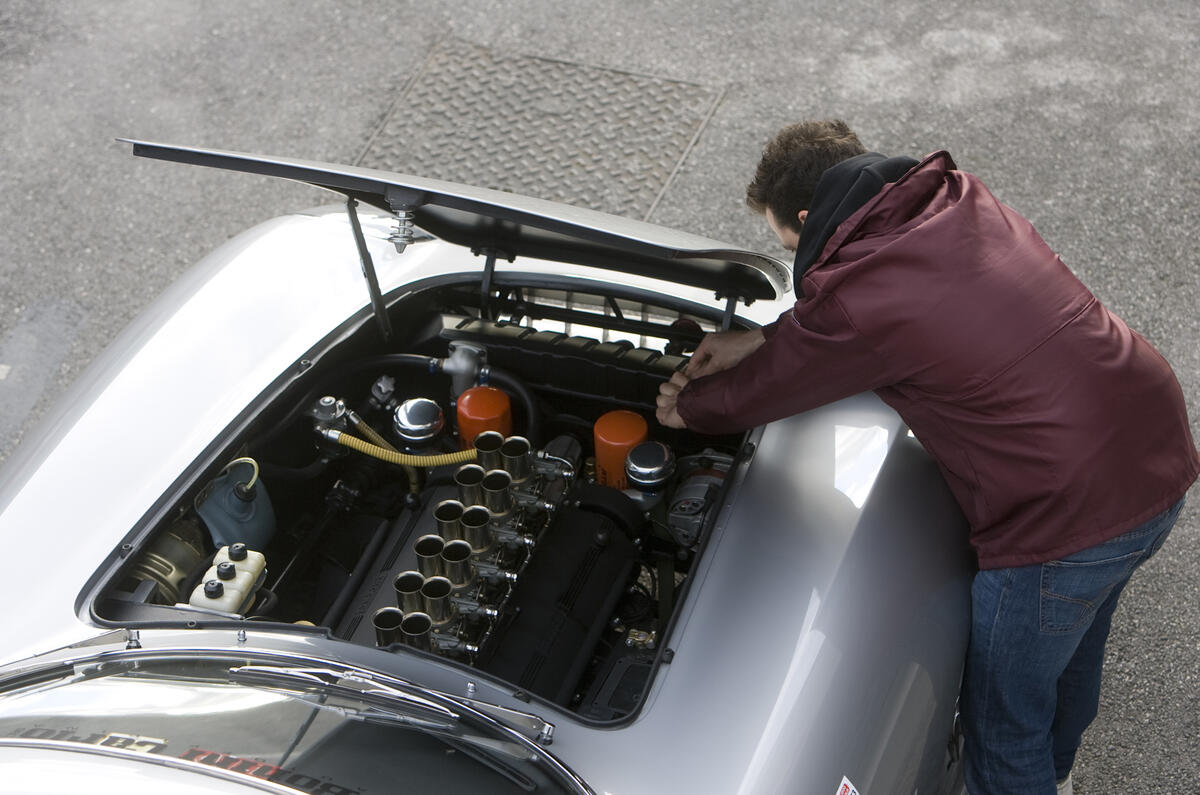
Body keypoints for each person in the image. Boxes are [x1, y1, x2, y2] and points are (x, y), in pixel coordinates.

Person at [656, 119, 1199, 795]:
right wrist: (756, 339)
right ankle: (1057, 773)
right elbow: (843, 322)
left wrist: (688, 407)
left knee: (1001, 729)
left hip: (1064, 512)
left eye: (790, 243)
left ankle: (1031, 776)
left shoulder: (863, 294)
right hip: (1152, 444)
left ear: (806, 215)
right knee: (1071, 645)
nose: (801, 262)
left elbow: (788, 373)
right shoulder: (954, 201)